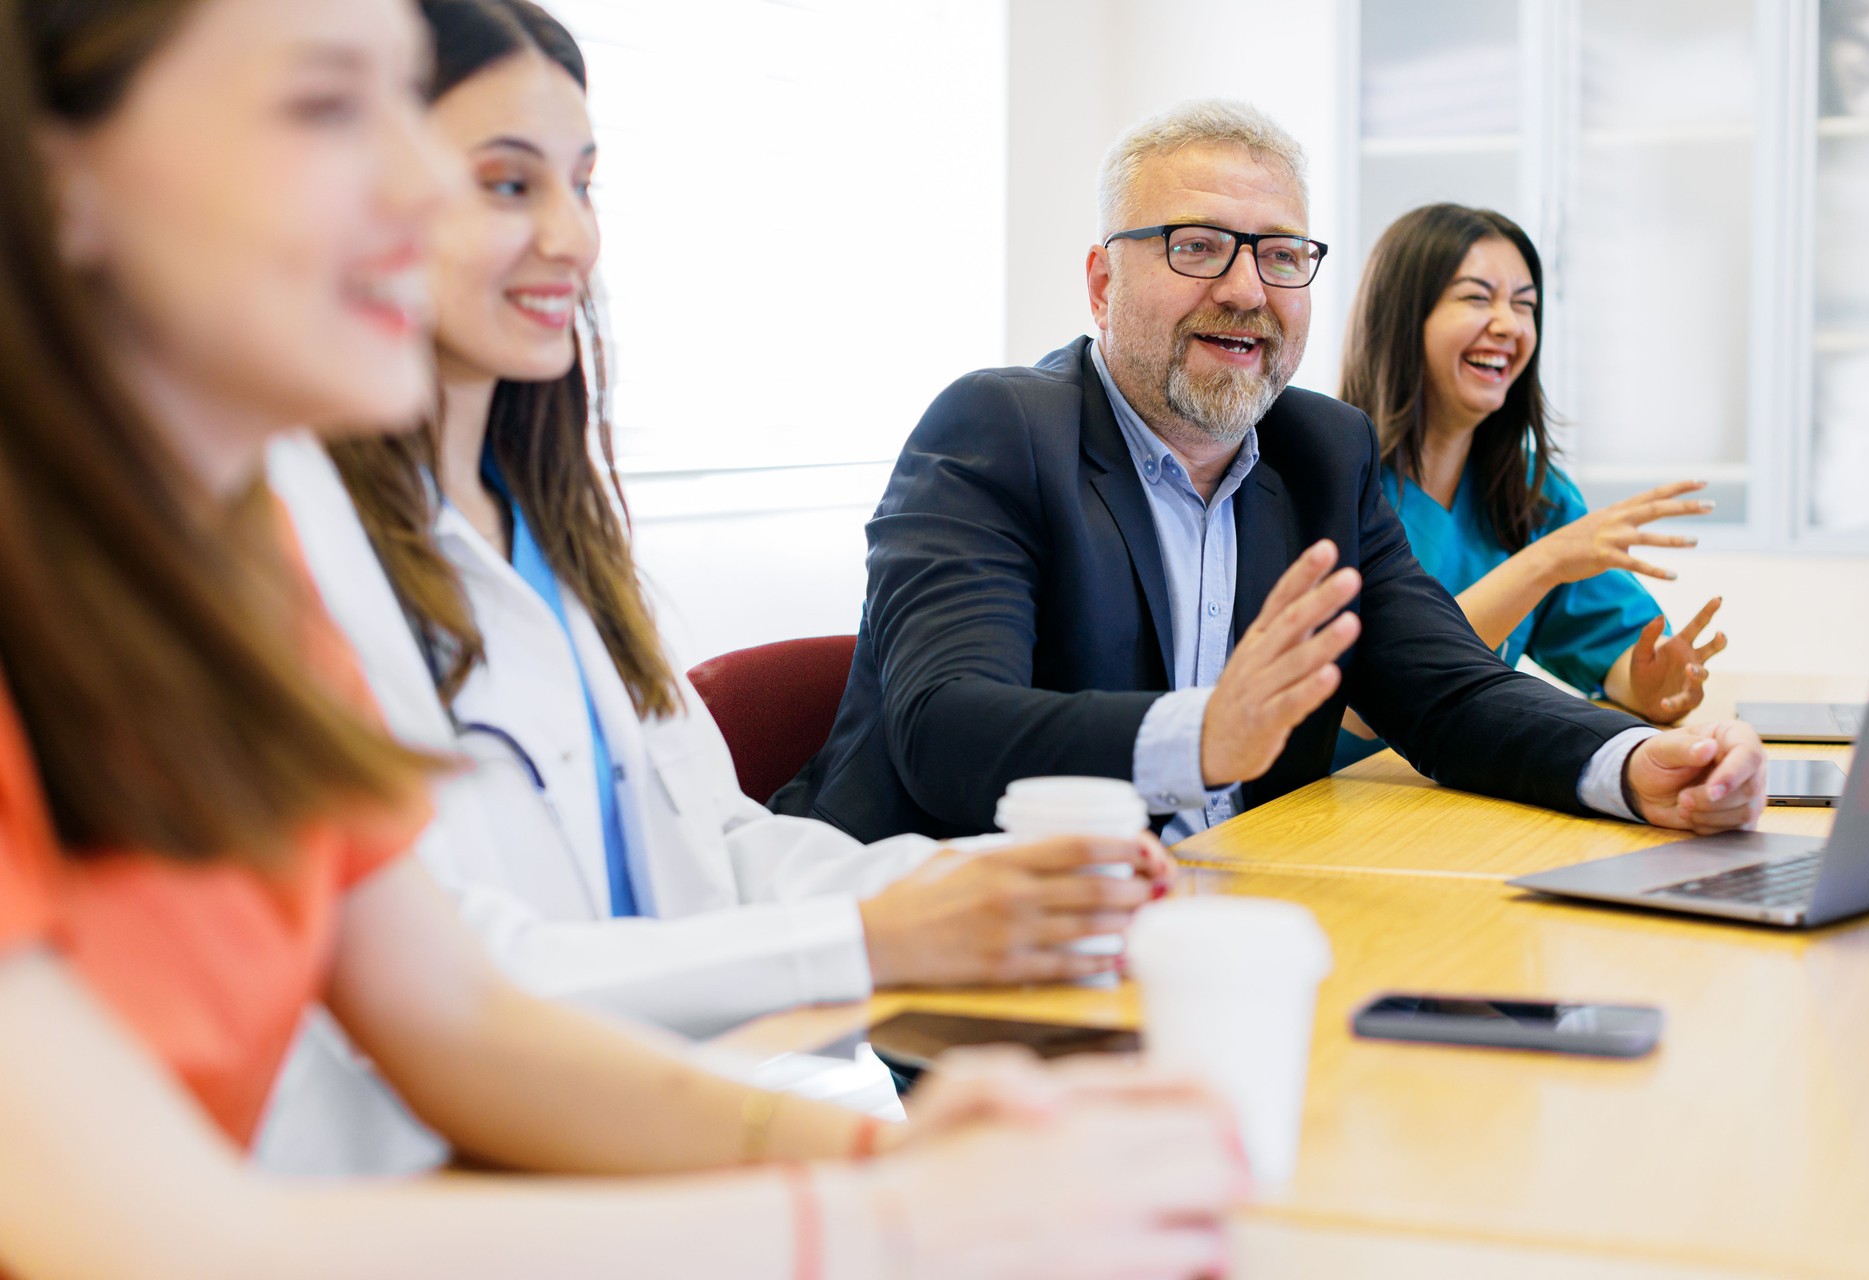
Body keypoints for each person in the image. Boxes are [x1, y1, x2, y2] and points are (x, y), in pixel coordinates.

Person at [0, 2, 1241, 1274]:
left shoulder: (225, 578)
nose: (419, 191)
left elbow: (459, 1016)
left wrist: (883, 1159)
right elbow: (149, 1232)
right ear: (53, 170)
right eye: (325, 107)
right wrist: (887, 1208)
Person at [774, 99, 1767, 847]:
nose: (1247, 290)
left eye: (1282, 255)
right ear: (1101, 280)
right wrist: (1205, 734)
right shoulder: (996, 429)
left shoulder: (1320, 450)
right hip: (950, 954)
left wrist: (1635, 762)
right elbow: (944, 730)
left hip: (1230, 909)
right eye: (1198, 246)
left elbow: (1449, 693)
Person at [1330, 203, 1728, 770]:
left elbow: (1617, 655)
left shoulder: (1532, 494)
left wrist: (1652, 687)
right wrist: (1544, 563)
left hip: (1455, 801)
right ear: (1400, 316)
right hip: (1320, 808)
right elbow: (1372, 704)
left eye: (1525, 305)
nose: (1510, 325)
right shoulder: (1324, 478)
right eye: (1476, 297)